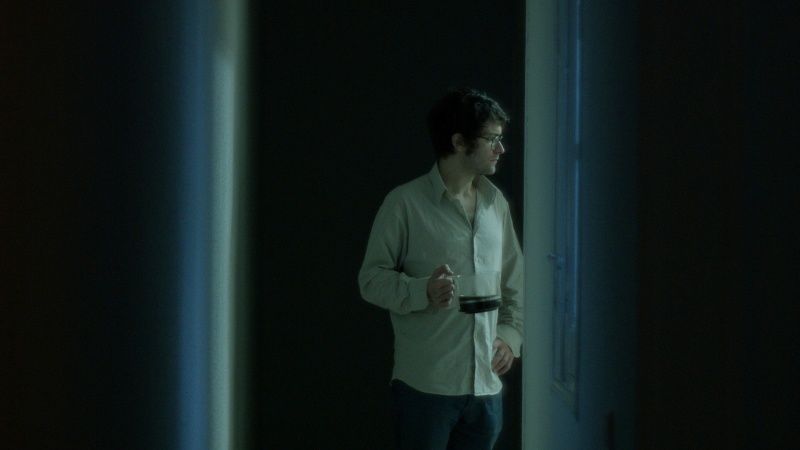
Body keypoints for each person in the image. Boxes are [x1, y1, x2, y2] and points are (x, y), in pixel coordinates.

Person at [358, 88, 524, 450]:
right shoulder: (404, 203)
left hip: (485, 392)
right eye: (491, 139)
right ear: (459, 142)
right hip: (426, 391)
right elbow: (371, 280)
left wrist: (510, 338)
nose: (501, 148)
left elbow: (514, 283)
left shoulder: (496, 204)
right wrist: (423, 291)